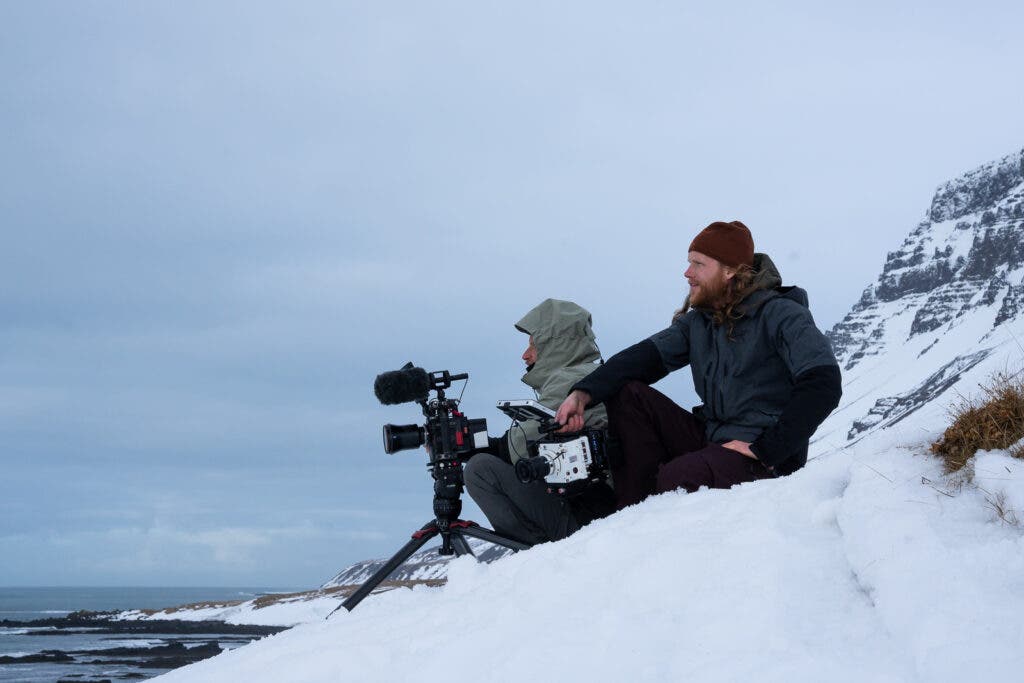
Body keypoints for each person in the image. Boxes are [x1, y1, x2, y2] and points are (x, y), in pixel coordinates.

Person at [555, 221, 842, 509]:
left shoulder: (782, 315)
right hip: (715, 439)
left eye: (698, 264)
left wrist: (768, 449)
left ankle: (652, 512)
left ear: (729, 271)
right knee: (629, 395)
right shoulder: (701, 322)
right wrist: (583, 394)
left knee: (678, 478)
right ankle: (629, 512)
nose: (687, 273)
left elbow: (824, 384)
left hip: (763, 458)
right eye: (689, 262)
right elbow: (644, 357)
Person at [464, 299, 614, 545]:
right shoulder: (591, 374)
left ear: (556, 344)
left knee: (479, 470)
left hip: (586, 516)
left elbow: (521, 446)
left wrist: (471, 447)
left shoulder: (572, 381)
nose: (525, 355)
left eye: (534, 345)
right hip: (595, 506)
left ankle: (538, 555)